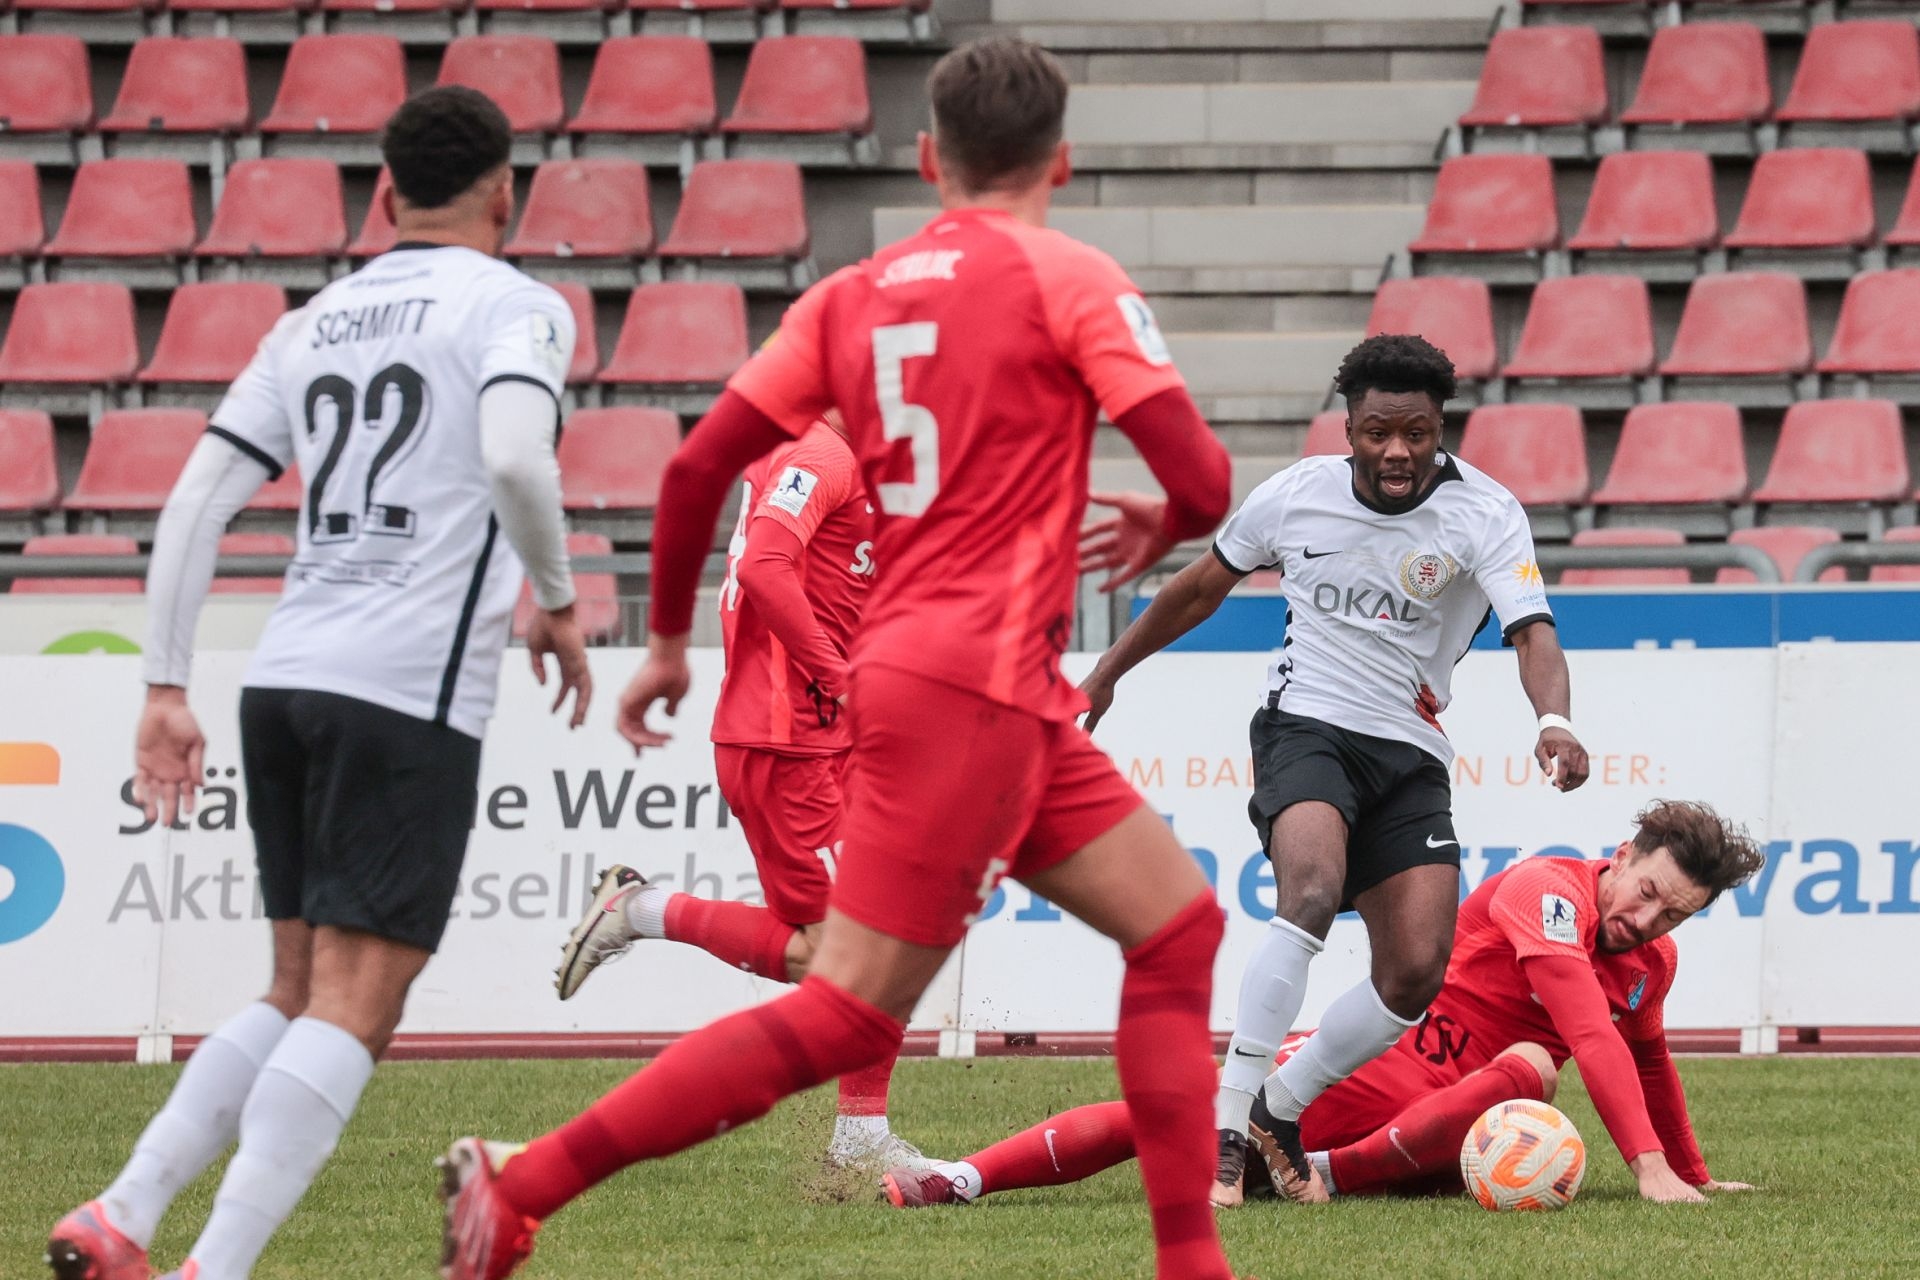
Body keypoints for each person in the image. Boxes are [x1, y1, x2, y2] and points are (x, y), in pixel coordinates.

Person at [437, 37, 1240, 1280]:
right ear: (1061, 163)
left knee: (1178, 926)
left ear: (926, 158)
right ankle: (521, 1184)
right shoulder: (1072, 276)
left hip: (966, 683)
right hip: (973, 681)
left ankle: (1193, 1262)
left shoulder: (848, 299)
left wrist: (666, 644)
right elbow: (1202, 477)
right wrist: (1163, 517)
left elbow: (695, 471)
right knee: (848, 1004)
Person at [45, 87, 590, 1280]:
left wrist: (164, 683)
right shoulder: (515, 303)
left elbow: (195, 501)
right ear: (507, 193)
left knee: (294, 986)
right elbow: (514, 454)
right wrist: (555, 594)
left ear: (385, 194)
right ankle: (212, 1266)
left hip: (284, 674)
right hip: (404, 688)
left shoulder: (312, 323)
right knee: (360, 1001)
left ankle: (121, 1215)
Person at [1077, 333, 1593, 1207]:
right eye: (1378, 432)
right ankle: (1228, 1126)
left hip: (1411, 751)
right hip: (1305, 726)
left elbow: (1532, 630)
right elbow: (1199, 586)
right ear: (1348, 428)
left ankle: (1278, 1108)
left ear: (1439, 430)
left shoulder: (1486, 513)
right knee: (1310, 892)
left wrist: (1554, 720)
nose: (1398, 452)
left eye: (1417, 434)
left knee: (1415, 971)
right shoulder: (1295, 495)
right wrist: (1107, 672)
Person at [883, 800, 1764, 1209]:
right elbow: (1587, 1033)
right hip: (1369, 1079)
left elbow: (1649, 1061)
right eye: (1647, 891)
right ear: (1623, 853)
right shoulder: (1548, 890)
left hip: (1440, 1137)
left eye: (1672, 913)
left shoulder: (1652, 961)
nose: (1645, 919)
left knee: (1529, 1076)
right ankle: (961, 1178)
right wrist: (1646, 1169)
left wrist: (1687, 1172)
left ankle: (1331, 1173)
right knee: (1179, 1114)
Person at [552, 410, 932, 1172]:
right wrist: (843, 681)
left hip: (830, 736)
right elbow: (764, 566)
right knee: (848, 955)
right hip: (788, 742)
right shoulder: (821, 454)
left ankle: (861, 1134)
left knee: (885, 928)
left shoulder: (844, 456)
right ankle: (640, 909)